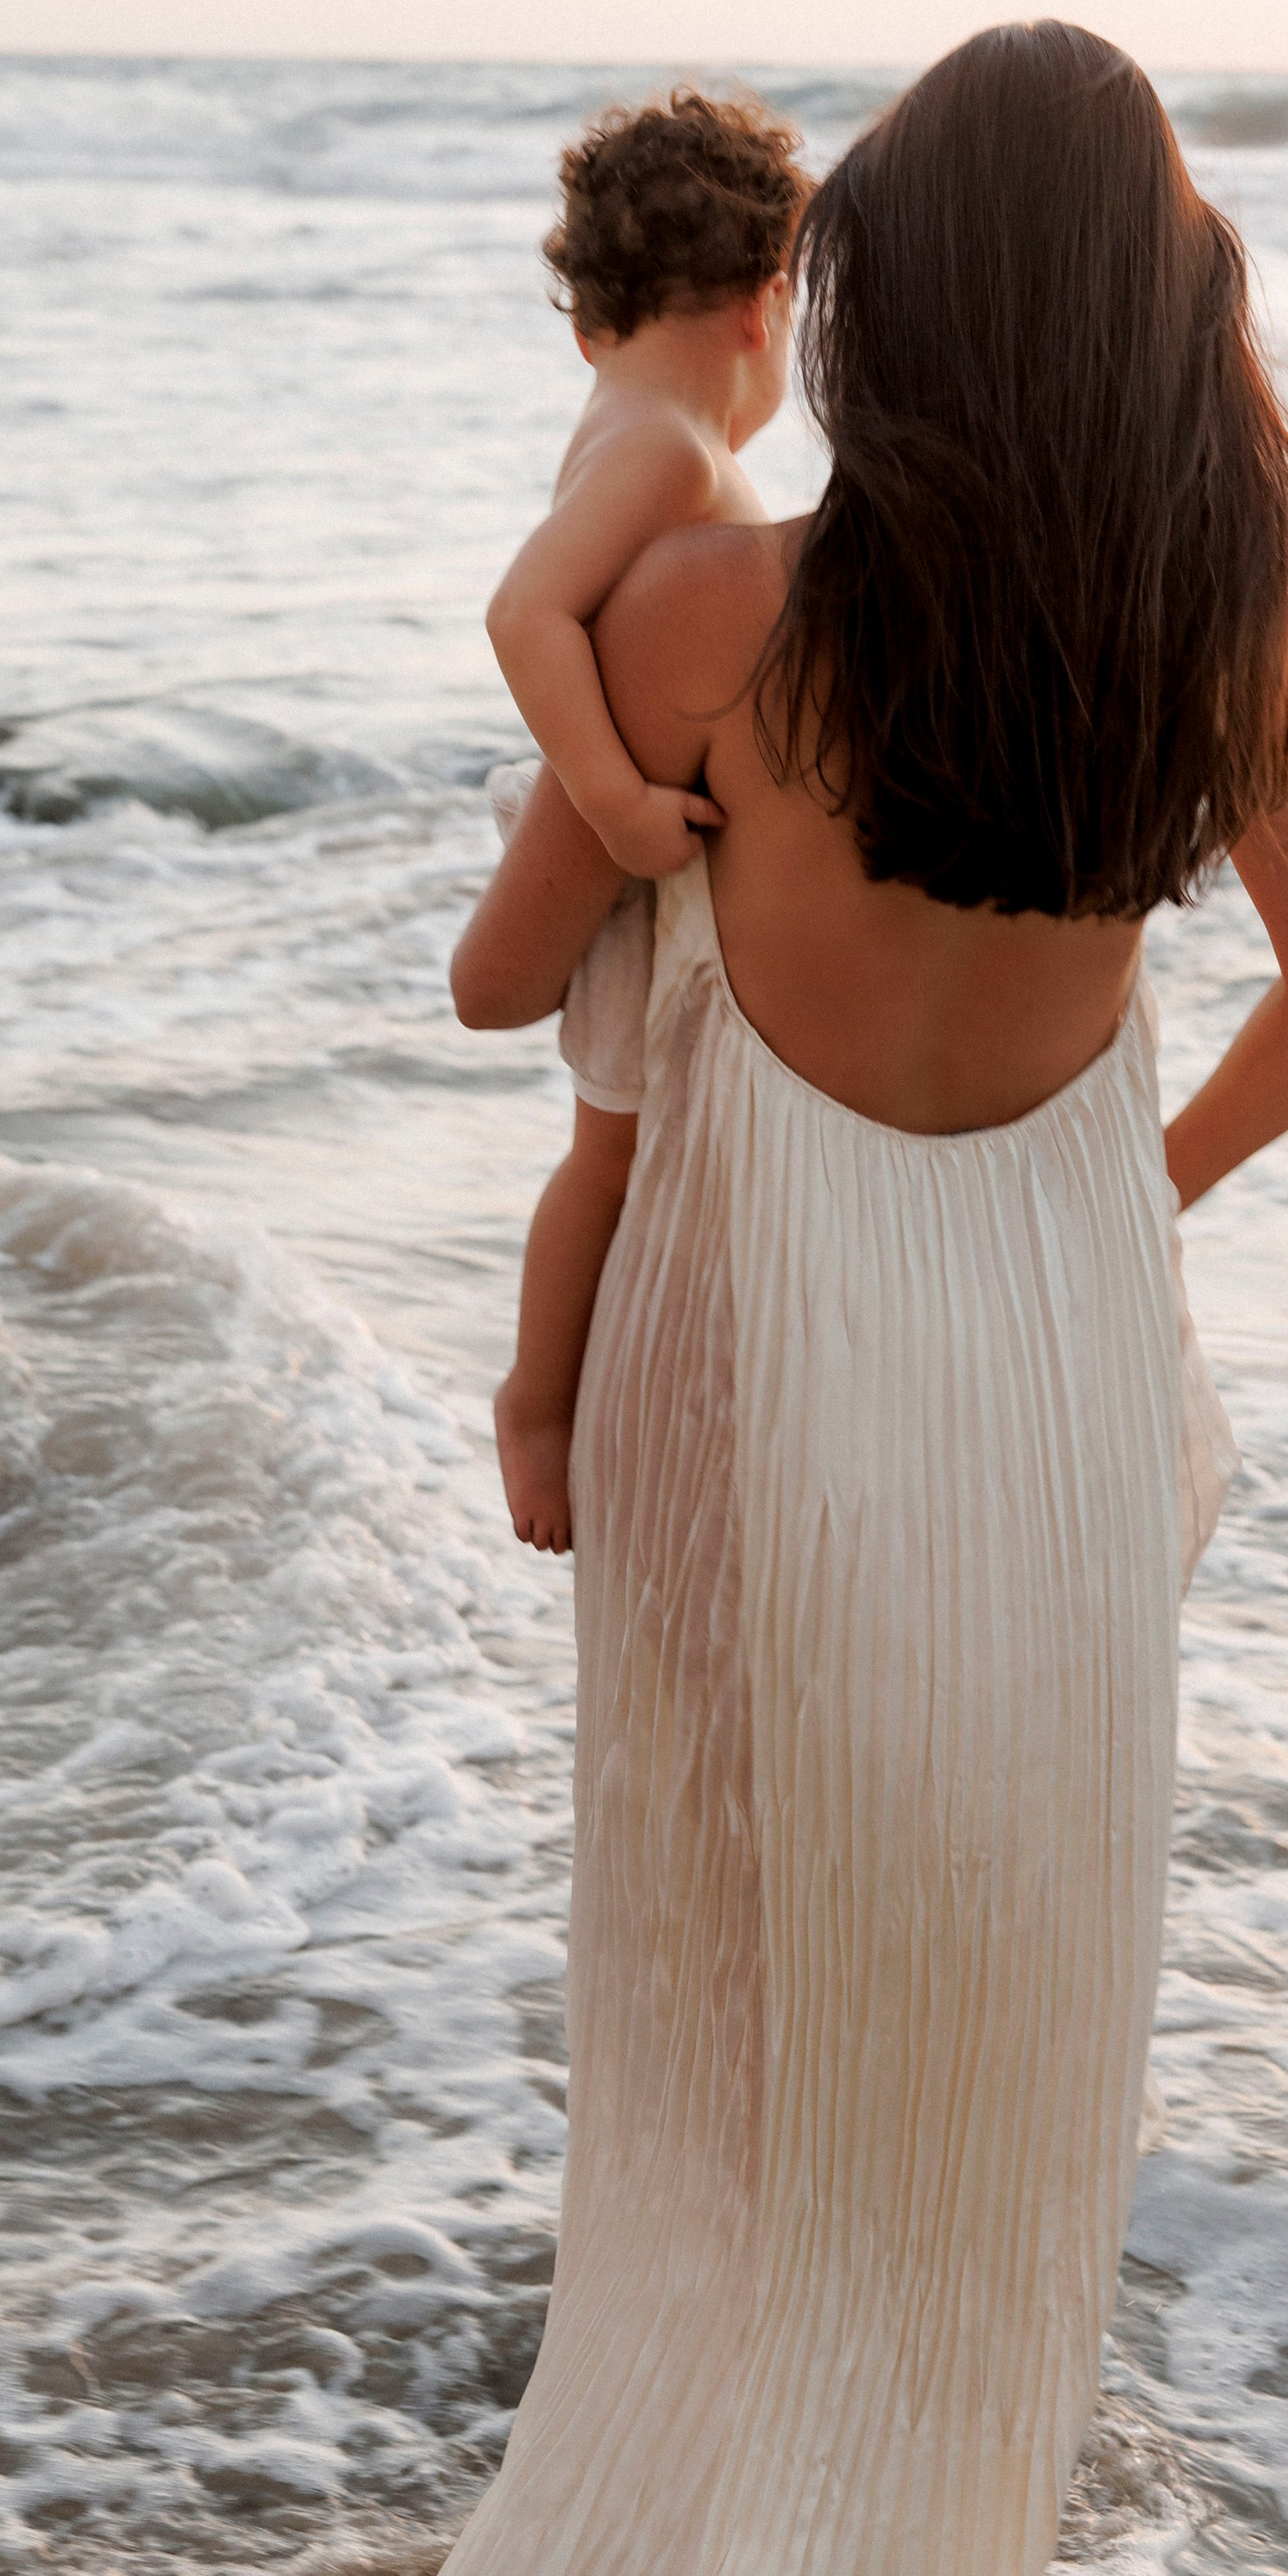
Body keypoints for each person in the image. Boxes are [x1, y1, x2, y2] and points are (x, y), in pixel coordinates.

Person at [420, 23, 1288, 2576]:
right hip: (1051, 1387)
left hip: (747, 1361)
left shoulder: (714, 608)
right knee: (980, 2014)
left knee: (724, 2002)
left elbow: (508, 975)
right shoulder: (1217, 629)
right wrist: (1124, 1204)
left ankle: (666, 2556)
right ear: (1151, 313)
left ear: (889, 303)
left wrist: (635, 821)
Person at [482, 90, 810, 1556]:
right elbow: (524, 608)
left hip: (635, 810)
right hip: (623, 833)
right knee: (607, 1152)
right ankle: (536, 1408)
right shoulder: (672, 450)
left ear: (585, 321)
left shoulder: (633, 418)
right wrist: (614, 808)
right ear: (765, 306)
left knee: (629, 1149)